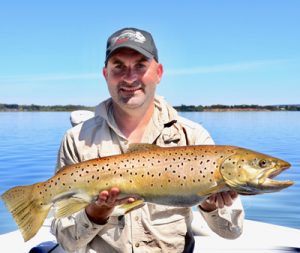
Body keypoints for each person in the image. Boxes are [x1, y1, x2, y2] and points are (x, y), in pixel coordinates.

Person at [51, 27, 244, 253]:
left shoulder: (193, 137)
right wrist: (95, 214)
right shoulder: (76, 140)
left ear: (159, 72)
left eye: (140, 66)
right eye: (119, 66)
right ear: (106, 74)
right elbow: (66, 242)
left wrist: (209, 204)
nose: (130, 77)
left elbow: (232, 231)